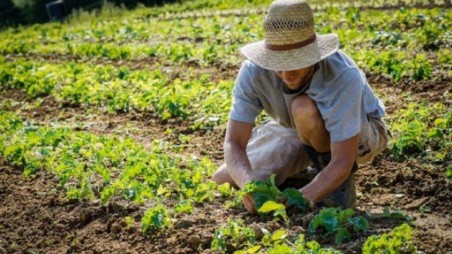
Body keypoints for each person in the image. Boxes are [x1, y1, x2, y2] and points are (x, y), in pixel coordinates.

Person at [212, 0, 389, 214]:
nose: (287, 74)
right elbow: (233, 143)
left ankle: (334, 188)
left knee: (302, 107)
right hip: (295, 128)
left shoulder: (342, 75)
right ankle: (305, 176)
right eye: (278, 63)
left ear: (313, 55)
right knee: (224, 178)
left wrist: (301, 199)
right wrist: (248, 185)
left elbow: (343, 159)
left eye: (295, 62)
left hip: (359, 133)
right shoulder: (253, 72)